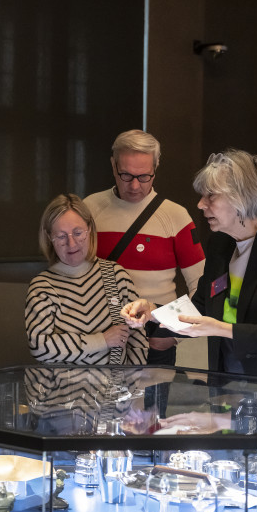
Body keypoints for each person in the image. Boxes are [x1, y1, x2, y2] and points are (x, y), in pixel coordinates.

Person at [122, 149, 257, 400]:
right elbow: (199, 310)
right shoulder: (220, 245)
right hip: (233, 394)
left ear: (241, 197)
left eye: (210, 195)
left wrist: (224, 329)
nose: (200, 204)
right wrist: (153, 312)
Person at [84, 130, 205, 368]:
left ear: (156, 168)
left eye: (144, 176)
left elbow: (201, 286)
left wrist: (173, 335)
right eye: (126, 175)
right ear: (113, 165)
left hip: (154, 337)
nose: (134, 185)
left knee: (153, 395)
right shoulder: (90, 209)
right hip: (100, 334)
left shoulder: (176, 216)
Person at [25, 194, 147, 365]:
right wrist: (102, 340)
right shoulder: (42, 287)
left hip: (116, 382)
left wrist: (135, 379)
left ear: (90, 229)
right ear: (49, 237)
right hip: (61, 383)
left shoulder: (115, 275)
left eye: (78, 233)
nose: (72, 243)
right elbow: (39, 347)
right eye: (61, 236)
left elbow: (138, 339)